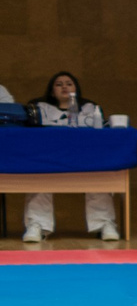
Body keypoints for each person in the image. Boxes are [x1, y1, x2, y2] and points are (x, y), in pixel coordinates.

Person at [21, 72, 120, 242]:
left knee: (99, 173)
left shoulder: (90, 108)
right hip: (48, 157)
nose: (64, 87)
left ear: (76, 89)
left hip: (84, 158)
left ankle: (104, 223)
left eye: (69, 83)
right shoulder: (39, 107)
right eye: (59, 84)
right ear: (52, 91)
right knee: (38, 174)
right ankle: (37, 225)